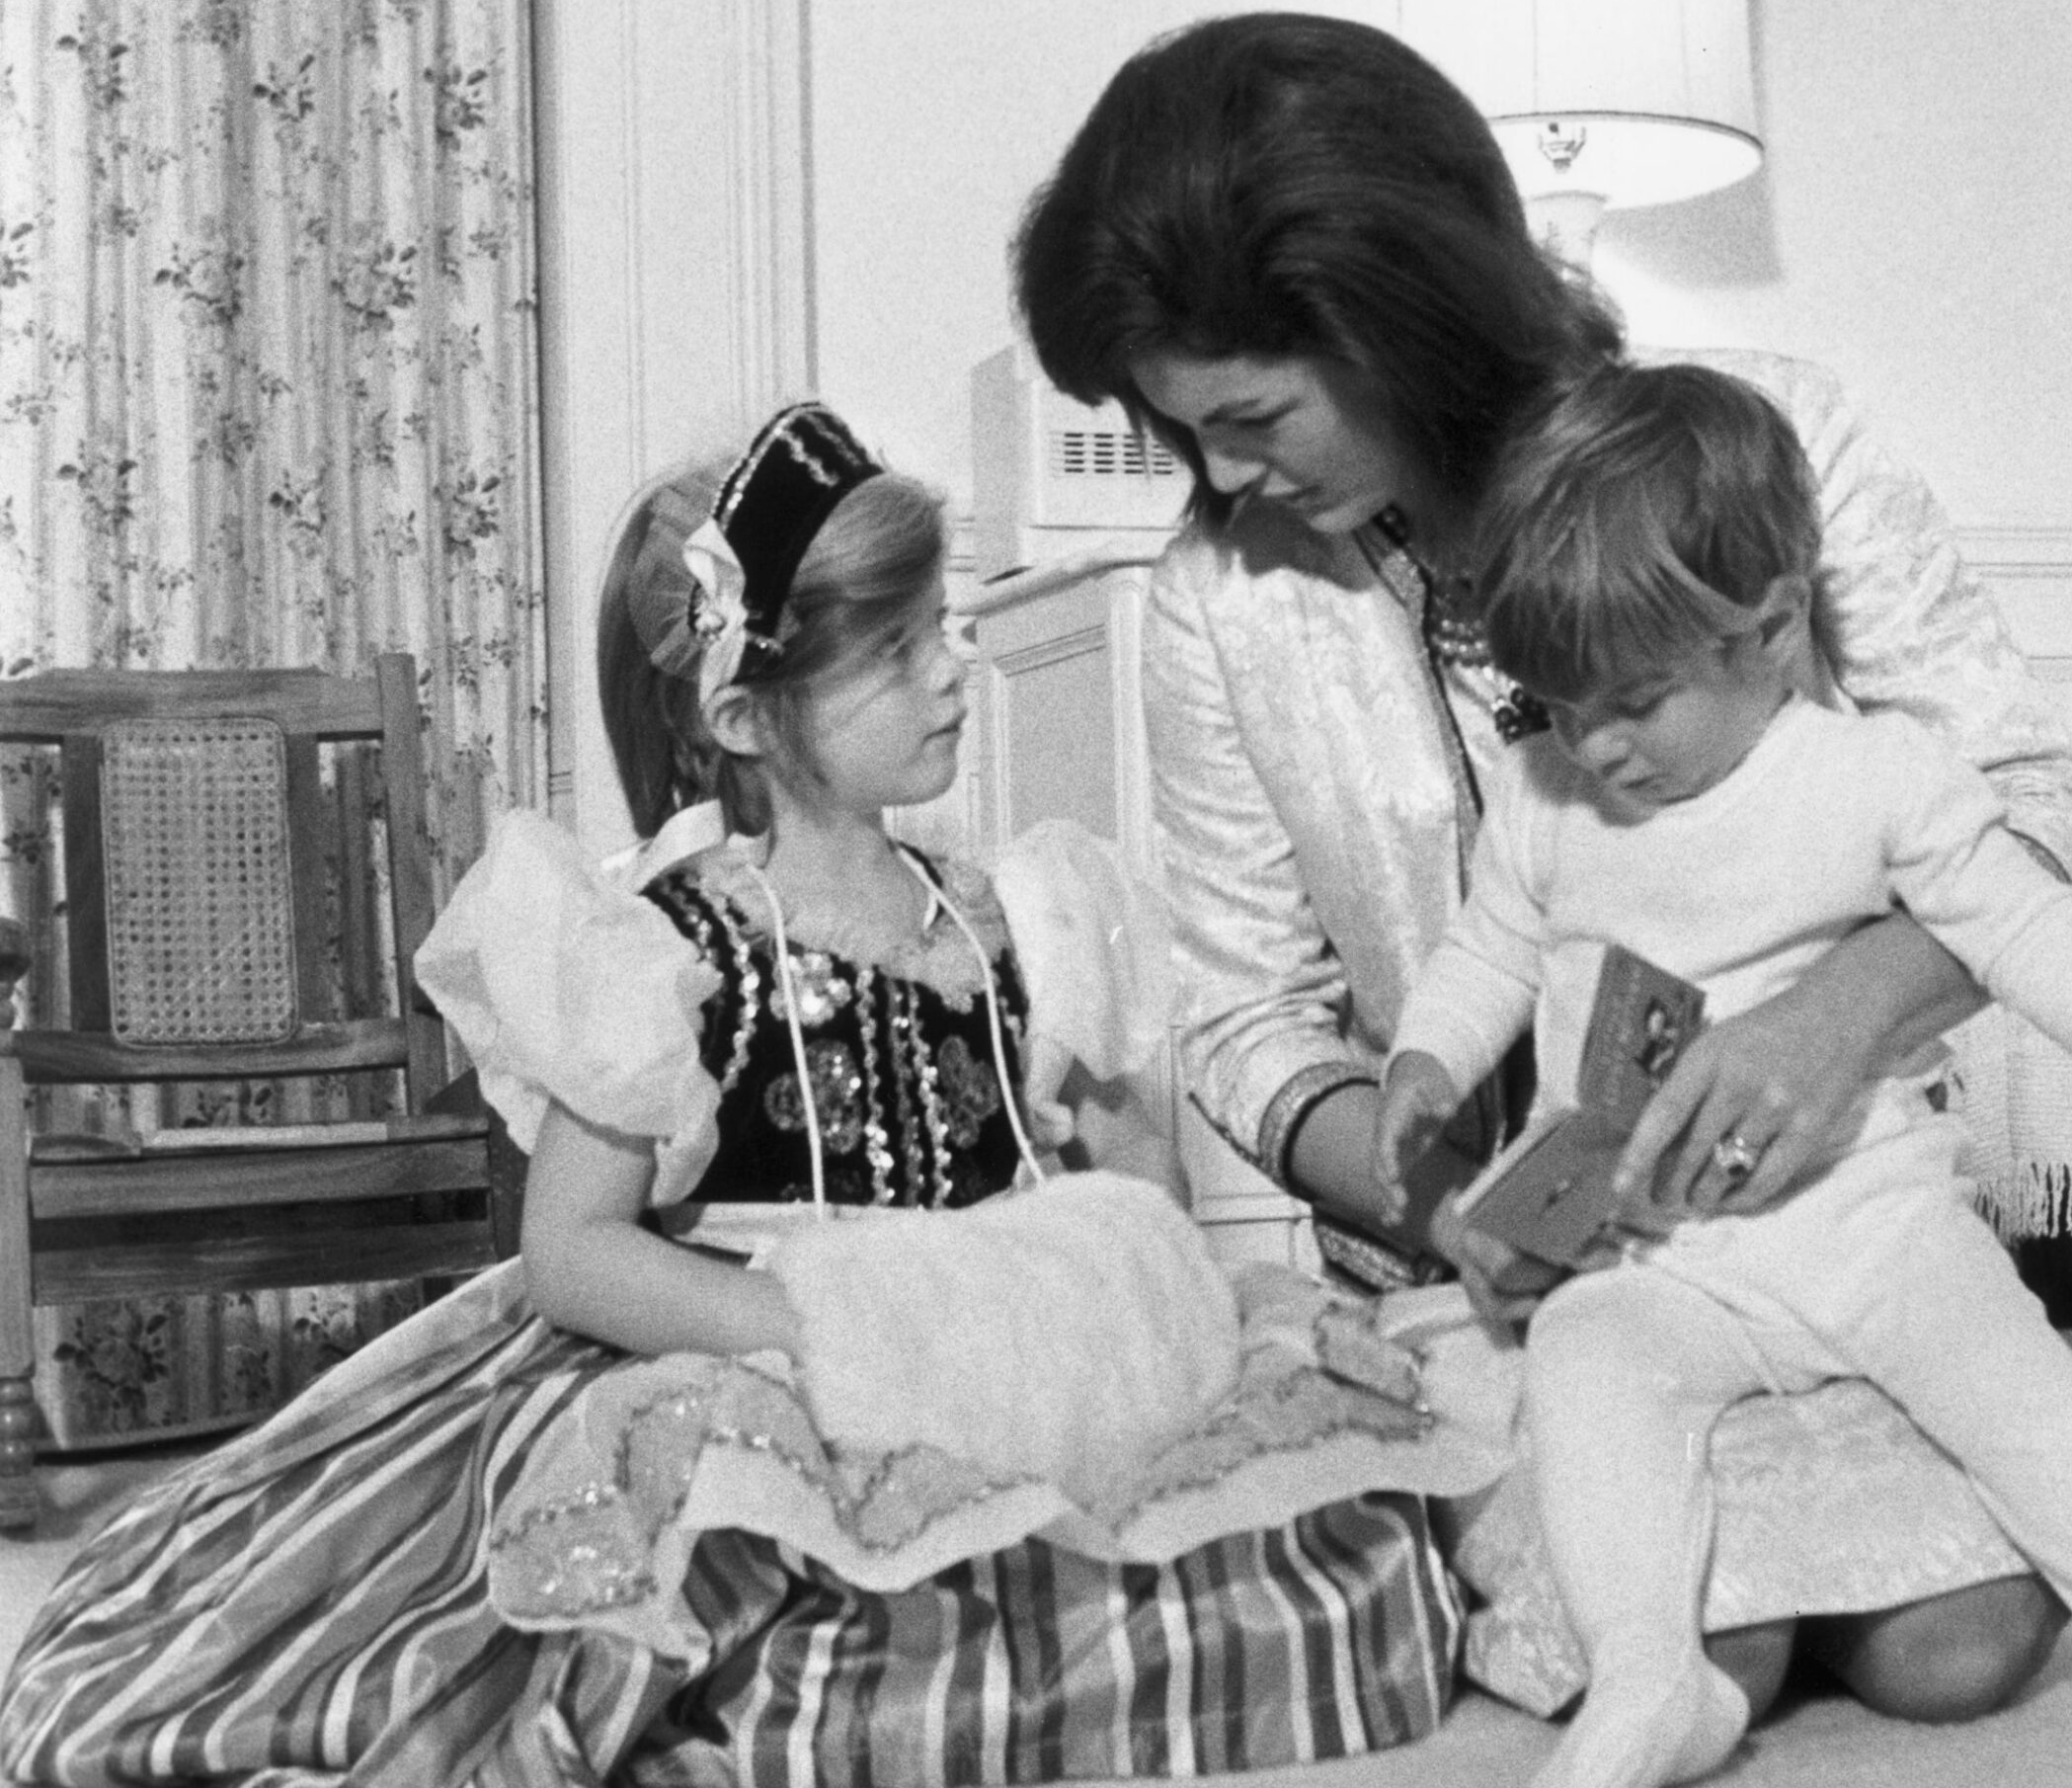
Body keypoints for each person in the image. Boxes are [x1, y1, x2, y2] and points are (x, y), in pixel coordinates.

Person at [0, 401, 1503, 1787]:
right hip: (770, 1332)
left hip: (996, 1341)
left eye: (946, 633)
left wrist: (1095, 1281)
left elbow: (1140, 1178)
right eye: (898, 648)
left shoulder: (1019, 914)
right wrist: (801, 1333)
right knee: (696, 1514)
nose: (951, 670)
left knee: (1312, 1519)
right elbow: (579, 1250)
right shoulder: (673, 944)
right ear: (742, 714)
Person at [1014, 10, 2072, 1719]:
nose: (1221, 477)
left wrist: (1829, 1023)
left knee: (1953, 1657)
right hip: (1505, 1286)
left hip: (1819, 1217)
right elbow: (1247, 1022)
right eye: (1188, 435)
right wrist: (1447, 1204)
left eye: (1249, 416)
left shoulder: (1770, 440)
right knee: (1692, 1649)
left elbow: (2049, 797)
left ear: (1403, 321)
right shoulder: (1221, 600)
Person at [1376, 362, 2072, 1788]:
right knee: (1583, 1365)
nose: (1599, 745)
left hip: (1872, 1221)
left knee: (2034, 1403)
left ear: (1769, 634)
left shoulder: (1872, 776)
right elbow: (1487, 951)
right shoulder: (1549, 800)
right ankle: (1651, 1685)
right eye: (1560, 707)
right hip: (1662, 1251)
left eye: (1636, 701)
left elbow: (2025, 924)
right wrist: (1422, 1061)